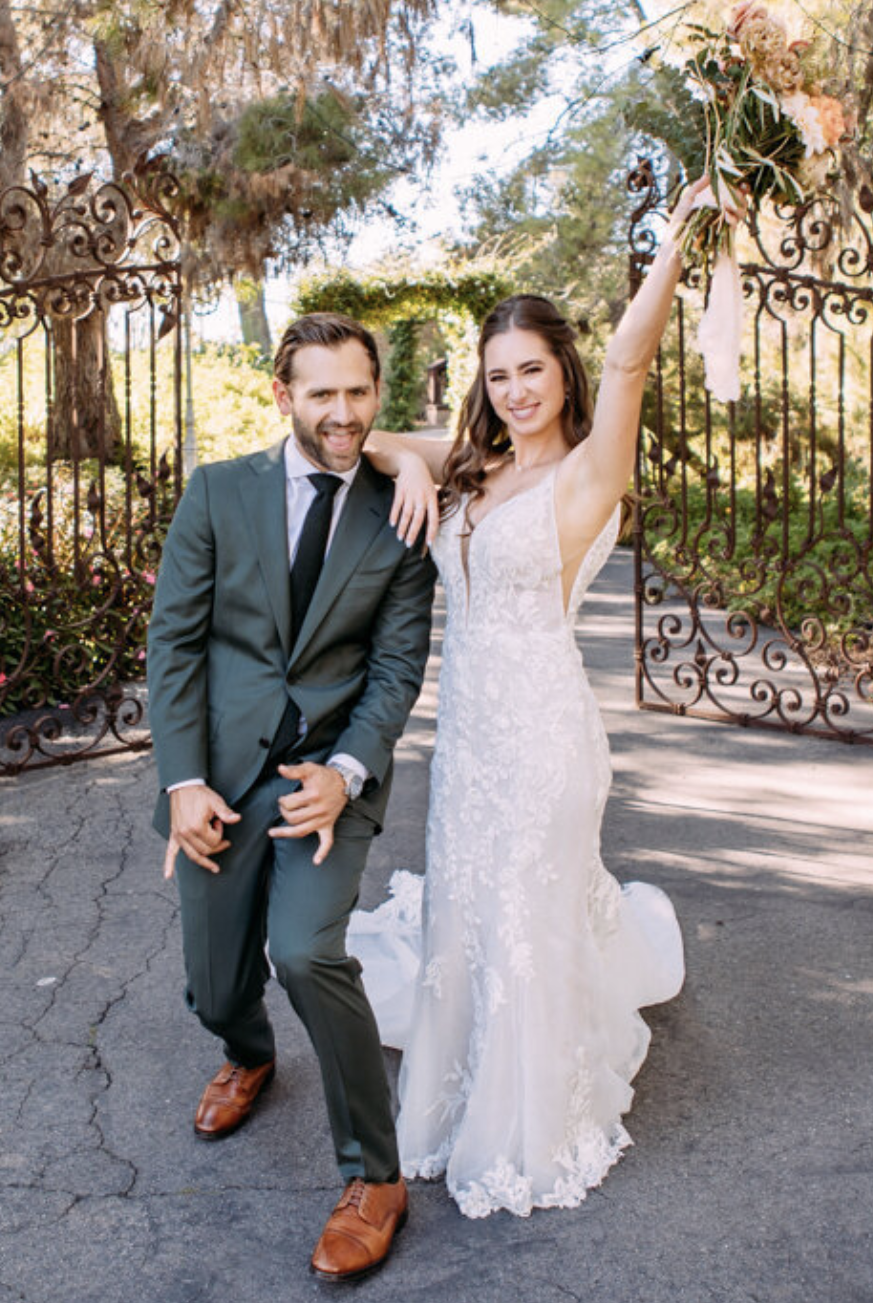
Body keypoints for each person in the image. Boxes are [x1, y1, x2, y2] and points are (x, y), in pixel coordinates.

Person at [348, 183, 704, 1219]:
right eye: (497, 374)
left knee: (529, 916)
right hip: (466, 740)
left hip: (545, 732)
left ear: (563, 370)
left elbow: (634, 360)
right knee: (469, 904)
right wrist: (413, 476)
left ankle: (533, 1119)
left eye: (532, 370)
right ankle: (460, 1091)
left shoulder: (592, 470)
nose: (514, 390)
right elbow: (362, 434)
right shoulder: (469, 466)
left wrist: (675, 243)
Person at [145, 312, 437, 1282]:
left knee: (307, 950)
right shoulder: (219, 492)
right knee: (217, 980)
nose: (344, 412)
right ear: (283, 394)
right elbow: (175, 644)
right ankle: (247, 1047)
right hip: (220, 781)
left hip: (327, 780)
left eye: (359, 392)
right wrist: (183, 781)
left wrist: (347, 770)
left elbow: (396, 668)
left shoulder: (400, 513)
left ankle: (374, 1174)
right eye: (322, 393)